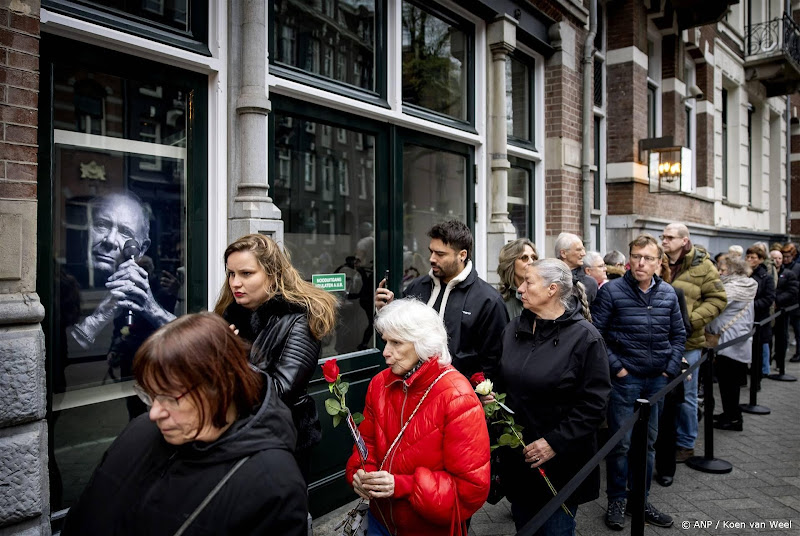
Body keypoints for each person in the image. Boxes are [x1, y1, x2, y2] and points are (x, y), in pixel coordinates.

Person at [62, 313, 308, 535]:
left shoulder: (273, 484)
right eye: (151, 395)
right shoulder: (139, 432)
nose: (154, 413)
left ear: (220, 388)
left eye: (170, 398)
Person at [346, 298, 490, 535]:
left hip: (427, 528)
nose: (386, 352)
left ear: (423, 343)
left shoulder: (457, 396)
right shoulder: (380, 383)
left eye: (396, 343)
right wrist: (362, 473)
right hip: (379, 519)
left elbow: (470, 489)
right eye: (385, 341)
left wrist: (403, 485)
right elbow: (367, 443)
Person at [488, 258, 610, 534]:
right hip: (519, 459)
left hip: (560, 464)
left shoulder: (585, 338)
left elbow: (595, 405)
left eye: (528, 282)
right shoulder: (514, 329)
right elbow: (502, 378)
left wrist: (555, 442)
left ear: (552, 289)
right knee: (524, 525)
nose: (520, 288)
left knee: (554, 529)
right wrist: (492, 398)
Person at [214, 233, 338, 482]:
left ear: (272, 274)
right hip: (232, 438)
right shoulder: (227, 317)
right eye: (231, 274)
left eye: (246, 274)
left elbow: (282, 390)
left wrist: (233, 358)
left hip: (282, 442)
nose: (235, 283)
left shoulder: (299, 320)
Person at [592, 234, 686, 530]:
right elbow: (597, 335)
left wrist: (669, 371)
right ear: (629, 259)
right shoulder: (613, 292)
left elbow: (679, 335)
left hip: (657, 381)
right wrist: (618, 369)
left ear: (659, 262)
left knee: (648, 443)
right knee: (621, 444)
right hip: (625, 380)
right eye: (636, 256)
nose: (640, 262)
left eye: (648, 258)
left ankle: (640, 501)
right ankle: (617, 500)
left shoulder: (669, 293)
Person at [374, 220, 508, 377]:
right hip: (412, 389)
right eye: (431, 251)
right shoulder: (416, 288)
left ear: (462, 255)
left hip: (459, 395)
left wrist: (480, 394)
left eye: (440, 254)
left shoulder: (488, 300)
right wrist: (386, 313)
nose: (432, 258)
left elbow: (494, 361)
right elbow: (395, 341)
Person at [68, 193, 177, 349]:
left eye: (125, 232)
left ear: (142, 248)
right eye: (101, 224)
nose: (110, 240)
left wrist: (151, 309)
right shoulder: (64, 282)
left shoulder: (150, 288)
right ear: (86, 231)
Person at [661, 223, 726, 463]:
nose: (664, 241)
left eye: (669, 237)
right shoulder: (660, 262)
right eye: (663, 236)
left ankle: (686, 444)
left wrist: (691, 320)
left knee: (687, 395)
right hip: (660, 341)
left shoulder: (704, 267)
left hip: (690, 341)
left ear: (684, 241)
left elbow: (718, 299)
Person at [653, 254, 691, 488]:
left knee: (667, 423)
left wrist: (671, 363)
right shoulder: (623, 293)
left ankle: (666, 468)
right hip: (638, 370)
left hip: (666, 368)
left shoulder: (673, 293)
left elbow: (683, 328)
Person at [707, 255, 757, 431]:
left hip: (729, 342)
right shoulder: (746, 284)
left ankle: (733, 418)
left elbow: (716, 304)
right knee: (730, 382)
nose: (720, 273)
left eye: (723, 270)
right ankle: (730, 413)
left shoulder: (734, 287)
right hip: (737, 340)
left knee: (729, 383)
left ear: (733, 271)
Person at [745, 245, 775, 378]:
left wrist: (750, 305)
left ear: (761, 260)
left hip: (759, 317)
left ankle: (758, 376)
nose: (750, 259)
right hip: (745, 319)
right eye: (748, 257)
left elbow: (768, 299)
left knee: (758, 349)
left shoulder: (766, 278)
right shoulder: (744, 274)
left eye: (753, 257)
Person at [496, 238, 538, 319]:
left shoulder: (543, 296)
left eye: (533, 257)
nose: (531, 262)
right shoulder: (499, 302)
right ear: (510, 263)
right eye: (524, 258)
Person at [771, 249, 799, 372]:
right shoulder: (767, 273)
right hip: (769, 311)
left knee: (781, 338)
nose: (777, 261)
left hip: (782, 310)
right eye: (774, 258)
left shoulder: (788, 273)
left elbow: (792, 290)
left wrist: (777, 300)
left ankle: (780, 364)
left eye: (779, 258)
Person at [554, 232, 598, 305]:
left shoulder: (589, 283)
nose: (583, 253)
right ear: (563, 253)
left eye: (583, 249)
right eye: (578, 250)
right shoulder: (548, 277)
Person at [780, 242, 800, 362]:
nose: (786, 259)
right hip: (785, 304)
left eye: (788, 256)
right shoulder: (783, 268)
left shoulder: (797, 268)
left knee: (797, 330)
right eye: (784, 256)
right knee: (784, 330)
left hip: (796, 304)